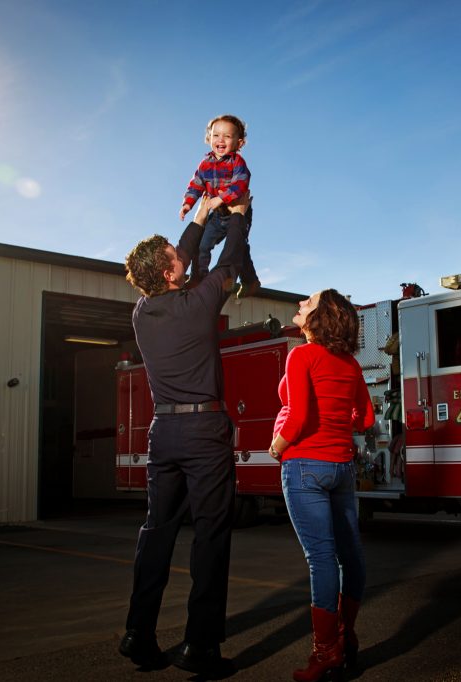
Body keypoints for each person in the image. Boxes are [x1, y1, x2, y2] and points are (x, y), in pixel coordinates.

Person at [117, 212, 249, 678]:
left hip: (163, 433)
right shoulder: (199, 302)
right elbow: (230, 261)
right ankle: (201, 647)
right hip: (203, 432)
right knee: (210, 536)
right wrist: (237, 219)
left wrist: (197, 218)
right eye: (176, 257)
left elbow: (182, 258)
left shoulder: (142, 312)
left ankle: (138, 632)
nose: (183, 255)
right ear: (171, 272)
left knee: (158, 531)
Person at [269, 289, 375, 682]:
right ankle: (346, 637)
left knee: (321, 560)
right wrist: (336, 421)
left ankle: (326, 652)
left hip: (304, 466)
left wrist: (276, 446)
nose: (300, 305)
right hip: (341, 467)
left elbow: (296, 417)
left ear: (320, 318)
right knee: (351, 556)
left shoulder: (300, 356)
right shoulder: (350, 364)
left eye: (307, 303)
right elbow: (365, 419)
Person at [178, 113, 260, 298]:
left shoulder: (237, 163)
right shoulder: (205, 164)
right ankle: (198, 277)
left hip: (238, 212)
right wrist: (188, 203)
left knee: (238, 246)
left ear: (239, 143)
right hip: (217, 215)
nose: (220, 140)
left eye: (227, 136)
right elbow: (196, 184)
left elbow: (241, 184)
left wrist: (221, 198)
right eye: (216, 135)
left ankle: (250, 281)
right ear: (209, 138)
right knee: (202, 244)